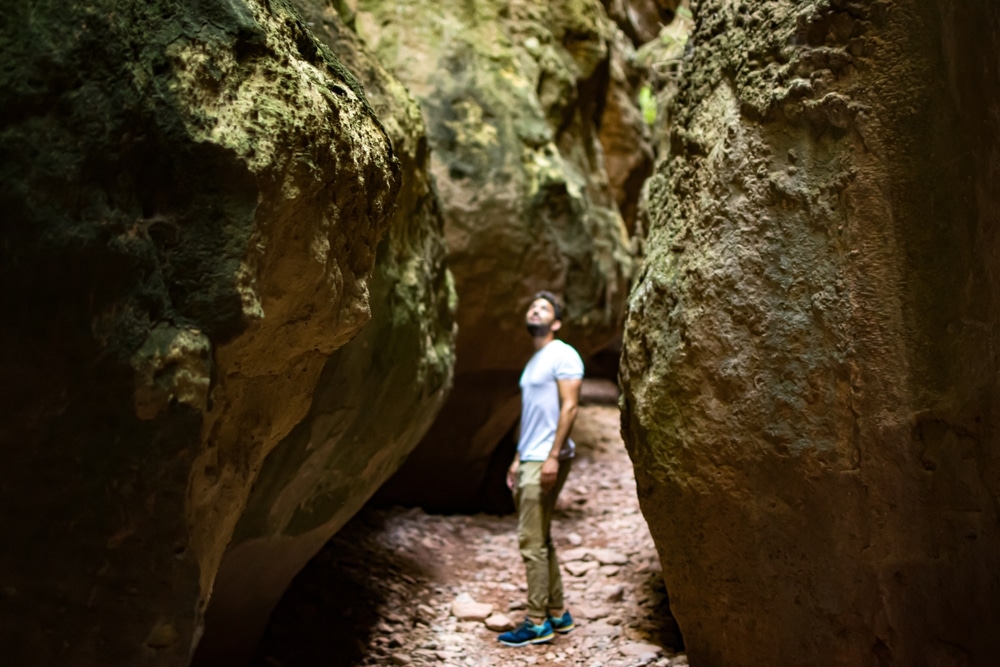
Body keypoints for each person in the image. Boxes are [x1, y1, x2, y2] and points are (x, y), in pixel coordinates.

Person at [498, 291, 584, 647]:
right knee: (542, 536)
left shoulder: (563, 353)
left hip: (546, 458)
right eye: (531, 305)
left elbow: (570, 408)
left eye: (544, 308)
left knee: (530, 540)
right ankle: (557, 612)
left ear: (557, 322)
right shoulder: (535, 361)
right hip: (530, 456)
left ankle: (536, 623)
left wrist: (551, 457)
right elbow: (531, 416)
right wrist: (519, 457)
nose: (534, 309)